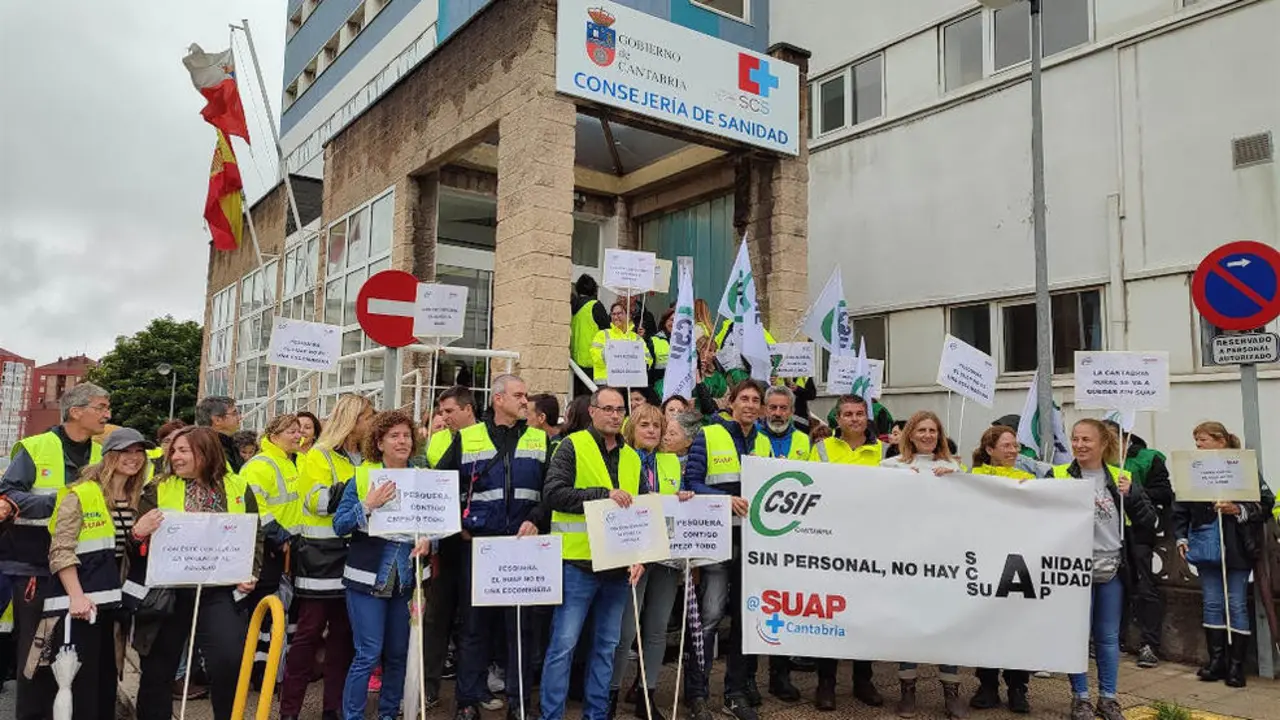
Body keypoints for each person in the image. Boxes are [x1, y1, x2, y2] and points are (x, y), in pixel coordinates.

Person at [434, 375, 548, 720]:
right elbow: (441, 486)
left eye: (526, 395)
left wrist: (538, 520)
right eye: (518, 394)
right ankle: (467, 701)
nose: (525, 400)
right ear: (498, 399)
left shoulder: (540, 439)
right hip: (481, 545)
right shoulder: (469, 438)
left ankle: (519, 703)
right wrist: (459, 527)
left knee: (520, 627)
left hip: (522, 548)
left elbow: (551, 489)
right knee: (473, 626)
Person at [131, 427, 261, 720]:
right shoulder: (157, 487)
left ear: (205, 452)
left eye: (183, 451)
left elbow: (255, 535)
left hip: (218, 590)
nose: (174, 456)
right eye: (173, 451)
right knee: (158, 667)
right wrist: (139, 532)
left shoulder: (238, 487)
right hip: (168, 591)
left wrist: (249, 571)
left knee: (228, 660)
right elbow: (135, 542)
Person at [0, 382, 109, 720]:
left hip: (86, 570)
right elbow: (7, 495)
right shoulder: (35, 448)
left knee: (78, 656)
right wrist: (60, 501)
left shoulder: (102, 455)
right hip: (35, 569)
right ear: (76, 411)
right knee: (37, 657)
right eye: (101, 407)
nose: (108, 414)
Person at [540, 387, 645, 720]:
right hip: (578, 565)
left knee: (607, 648)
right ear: (593, 412)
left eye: (620, 410)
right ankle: (551, 715)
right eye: (609, 408)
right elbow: (553, 494)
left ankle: (596, 715)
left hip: (616, 569)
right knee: (563, 647)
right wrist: (604, 495)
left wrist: (639, 555)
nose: (615, 415)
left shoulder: (632, 457)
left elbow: (639, 511)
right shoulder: (572, 445)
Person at [1050, 419, 1158, 720]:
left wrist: (1133, 493)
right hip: (1074, 569)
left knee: (1108, 637)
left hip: (1113, 567)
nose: (1080, 445)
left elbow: (1148, 521)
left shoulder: (1121, 475)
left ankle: (1108, 698)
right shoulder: (1059, 474)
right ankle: (1080, 698)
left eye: (1087, 440)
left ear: (1102, 444)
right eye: (1075, 439)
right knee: (1077, 636)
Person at [333, 410, 433, 720]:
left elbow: (435, 523)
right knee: (367, 654)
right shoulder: (362, 478)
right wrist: (368, 505)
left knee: (398, 655)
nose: (403, 441)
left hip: (405, 581)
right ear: (379, 442)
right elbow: (340, 525)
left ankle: (389, 714)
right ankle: (353, 716)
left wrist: (431, 540)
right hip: (366, 580)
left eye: (406, 435)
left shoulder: (424, 477)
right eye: (395, 436)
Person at [45, 427, 151, 720]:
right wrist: (76, 597)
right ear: (109, 455)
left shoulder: (137, 499)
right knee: (80, 680)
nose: (134, 458)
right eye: (126, 451)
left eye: (139, 452)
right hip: (82, 603)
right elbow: (61, 549)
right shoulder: (80, 494)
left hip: (116, 603)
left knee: (106, 678)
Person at [683, 380, 772, 720]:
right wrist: (725, 501)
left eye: (755, 400)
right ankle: (698, 693)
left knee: (745, 620)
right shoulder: (709, 434)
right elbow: (691, 482)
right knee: (709, 616)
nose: (750, 405)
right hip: (718, 538)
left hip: (753, 542)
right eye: (744, 399)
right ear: (731, 403)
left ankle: (734, 693)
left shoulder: (764, 442)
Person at [283, 394, 373, 720]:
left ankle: (332, 708)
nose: (370, 423)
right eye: (366, 417)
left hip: (356, 556)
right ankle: (289, 710)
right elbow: (316, 502)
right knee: (308, 635)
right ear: (350, 420)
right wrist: (361, 487)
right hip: (320, 559)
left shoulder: (366, 457)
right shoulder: (318, 456)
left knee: (344, 638)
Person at [1175, 421, 1275, 689]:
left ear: (1221, 441)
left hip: (1238, 547)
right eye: (1196, 442)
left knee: (1237, 603)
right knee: (1212, 603)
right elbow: (1181, 507)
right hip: (1207, 545)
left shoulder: (1242, 466)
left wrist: (1237, 510)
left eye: (1203, 441)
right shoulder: (1192, 469)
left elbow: (1266, 503)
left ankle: (1236, 665)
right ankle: (1216, 661)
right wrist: (1181, 537)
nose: (1198, 446)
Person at [610, 405, 691, 720]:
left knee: (657, 628)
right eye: (644, 424)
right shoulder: (622, 458)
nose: (652, 431)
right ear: (632, 428)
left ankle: (647, 693)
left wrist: (683, 497)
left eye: (657, 426)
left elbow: (675, 500)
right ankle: (612, 693)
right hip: (633, 554)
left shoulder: (670, 461)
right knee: (626, 629)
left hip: (665, 555)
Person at [806, 395, 883, 711]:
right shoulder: (821, 450)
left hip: (870, 545)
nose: (854, 419)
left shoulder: (884, 451)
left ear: (867, 418)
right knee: (830, 614)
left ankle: (863, 680)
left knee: (865, 614)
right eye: (848, 414)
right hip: (831, 545)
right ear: (837, 420)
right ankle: (826, 683)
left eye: (860, 414)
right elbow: (809, 489)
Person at [967, 426, 1034, 714]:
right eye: (1006, 446)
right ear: (990, 450)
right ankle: (988, 684)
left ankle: (1018, 686)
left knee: (1018, 625)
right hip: (986, 557)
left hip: (1019, 560)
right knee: (987, 623)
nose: (1013, 450)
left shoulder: (1029, 479)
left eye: (1015, 446)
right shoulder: (975, 478)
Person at [423, 385, 480, 701]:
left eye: (448, 412)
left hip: (475, 542)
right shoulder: (443, 441)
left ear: (468, 409)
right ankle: (429, 688)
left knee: (473, 623)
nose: (443, 419)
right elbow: (437, 486)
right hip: (447, 542)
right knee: (436, 619)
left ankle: (470, 693)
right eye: (441, 413)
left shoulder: (484, 439)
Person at [1101, 420, 1172, 669]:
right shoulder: (1100, 464)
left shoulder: (1148, 458)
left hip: (1139, 533)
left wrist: (1132, 490)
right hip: (1107, 533)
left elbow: (1165, 493)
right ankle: (1112, 640)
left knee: (1144, 587)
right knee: (1111, 586)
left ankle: (1149, 644)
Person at [239, 414, 304, 687]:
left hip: (292, 545)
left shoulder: (290, 462)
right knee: (266, 610)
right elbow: (256, 508)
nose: (297, 435)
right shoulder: (260, 465)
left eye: (299, 431)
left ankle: (279, 668)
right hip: (270, 548)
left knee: (287, 612)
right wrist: (279, 536)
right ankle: (260, 673)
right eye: (291, 431)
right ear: (274, 433)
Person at [590, 301, 653, 386]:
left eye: (619, 313)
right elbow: (596, 357)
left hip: (631, 384)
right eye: (613, 314)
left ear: (629, 316)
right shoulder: (603, 334)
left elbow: (648, 359)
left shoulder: (636, 338)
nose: (616, 317)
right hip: (607, 384)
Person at [571, 274, 611, 397]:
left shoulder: (572, 308)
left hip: (575, 363)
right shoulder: (595, 306)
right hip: (593, 364)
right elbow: (608, 331)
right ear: (594, 289)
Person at [758, 386, 810, 461]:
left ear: (792, 411)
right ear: (765, 410)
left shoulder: (804, 440)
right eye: (773, 407)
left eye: (783, 408)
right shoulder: (752, 437)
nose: (778, 413)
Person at [195, 396, 245, 473]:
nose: (240, 417)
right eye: (234, 413)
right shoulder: (210, 450)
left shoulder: (227, 444)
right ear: (217, 420)